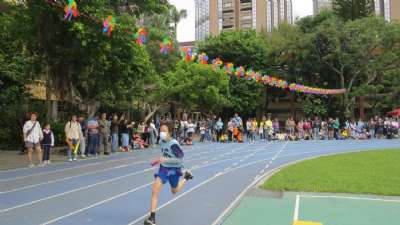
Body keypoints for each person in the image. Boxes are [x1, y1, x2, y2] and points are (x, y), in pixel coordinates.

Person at [144, 124, 193, 225]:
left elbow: (180, 159)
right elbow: (164, 154)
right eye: (160, 130)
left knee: (174, 191)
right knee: (155, 189)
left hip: (174, 170)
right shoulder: (161, 142)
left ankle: (186, 177)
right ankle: (152, 218)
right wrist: (159, 159)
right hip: (164, 169)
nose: (161, 133)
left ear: (169, 132)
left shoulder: (173, 144)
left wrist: (166, 159)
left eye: (164, 131)